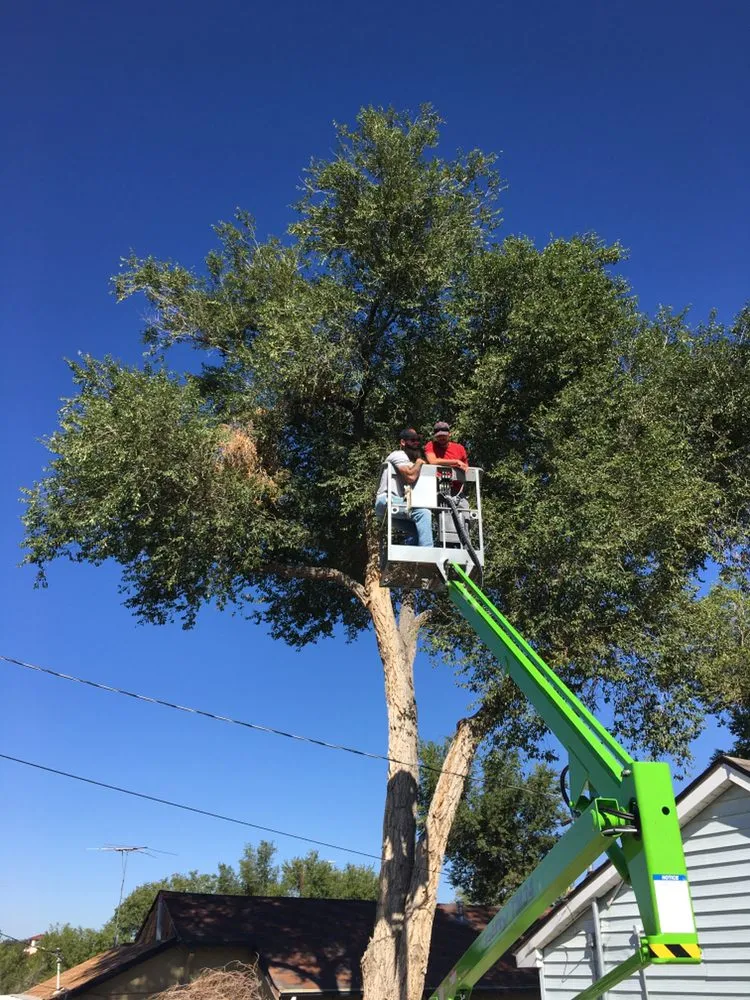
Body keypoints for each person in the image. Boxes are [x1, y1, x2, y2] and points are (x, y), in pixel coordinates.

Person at [375, 429, 434, 547]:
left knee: (418, 529)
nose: (416, 443)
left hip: (394, 503)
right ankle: (428, 552)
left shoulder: (408, 461)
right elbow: (410, 477)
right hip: (387, 500)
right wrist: (419, 462)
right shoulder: (398, 454)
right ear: (403, 442)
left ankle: (413, 556)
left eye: (418, 440)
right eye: (412, 440)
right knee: (423, 513)